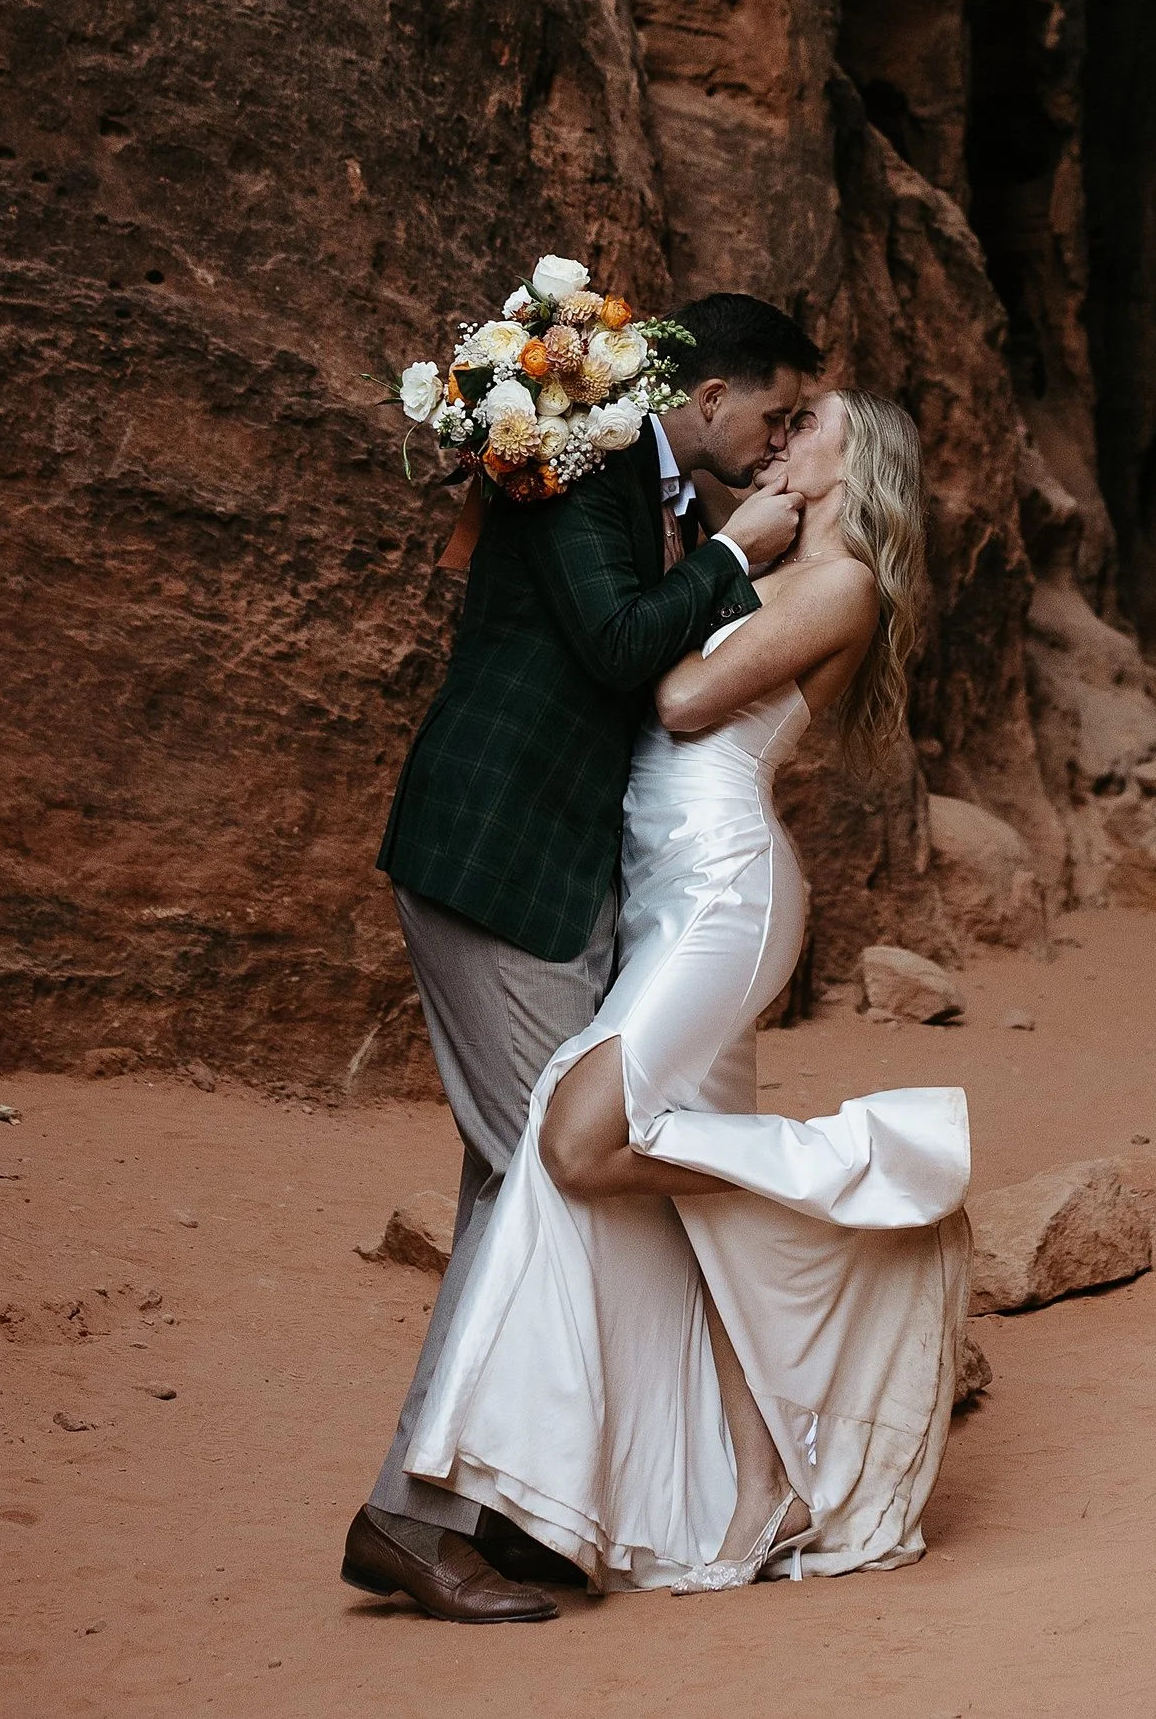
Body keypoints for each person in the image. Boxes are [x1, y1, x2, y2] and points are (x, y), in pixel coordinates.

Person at [401, 387, 971, 1590]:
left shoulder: (839, 582)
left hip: (723, 894)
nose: (784, 434)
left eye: (810, 423)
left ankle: (862, 1175)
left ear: (853, 462)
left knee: (580, 1137)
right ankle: (767, 1484)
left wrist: (721, 555)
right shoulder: (773, 566)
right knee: (677, 1193)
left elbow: (678, 697)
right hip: (668, 889)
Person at [342, 289, 822, 1626]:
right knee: (544, 1179)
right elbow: (615, 644)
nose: (780, 441)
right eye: (775, 412)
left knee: (518, 1181)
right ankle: (415, 1513)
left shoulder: (640, 477)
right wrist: (737, 554)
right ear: (710, 395)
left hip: (551, 875)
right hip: (496, 853)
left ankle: (498, 1502)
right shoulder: (588, 461)